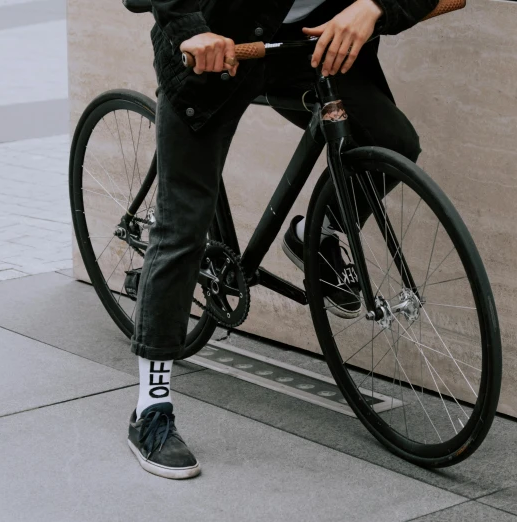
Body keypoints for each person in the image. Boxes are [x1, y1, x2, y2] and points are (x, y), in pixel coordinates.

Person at [127, 0, 437, 479]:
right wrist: (187, 27)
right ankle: (151, 408)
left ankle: (319, 234)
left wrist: (376, 6)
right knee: (183, 223)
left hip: (310, 47)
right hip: (219, 45)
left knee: (392, 141)